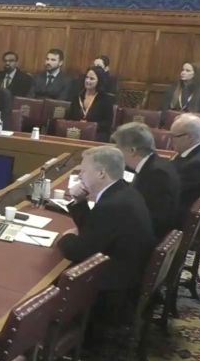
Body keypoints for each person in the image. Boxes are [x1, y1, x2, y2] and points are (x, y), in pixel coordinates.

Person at [56, 146, 155, 340]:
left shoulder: (112, 206)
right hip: (129, 270)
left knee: (50, 281)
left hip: (114, 286)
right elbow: (94, 231)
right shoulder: (124, 191)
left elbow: (78, 252)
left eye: (83, 171)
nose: (80, 176)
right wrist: (80, 201)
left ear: (101, 173)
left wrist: (64, 238)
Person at [112, 122, 181, 239]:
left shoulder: (157, 175)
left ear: (132, 150)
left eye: (118, 148)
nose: (117, 152)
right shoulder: (156, 163)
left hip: (146, 239)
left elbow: (151, 218)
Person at [169, 113, 200, 217]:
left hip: (178, 218)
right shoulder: (196, 153)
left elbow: (169, 192)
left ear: (189, 137)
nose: (170, 140)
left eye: (174, 136)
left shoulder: (196, 165)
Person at [67, 66, 116, 142]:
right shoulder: (77, 97)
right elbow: (69, 117)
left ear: (99, 81)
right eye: (86, 77)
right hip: (76, 131)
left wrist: (90, 126)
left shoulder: (105, 99)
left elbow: (107, 123)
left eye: (92, 79)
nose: (87, 81)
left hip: (97, 134)